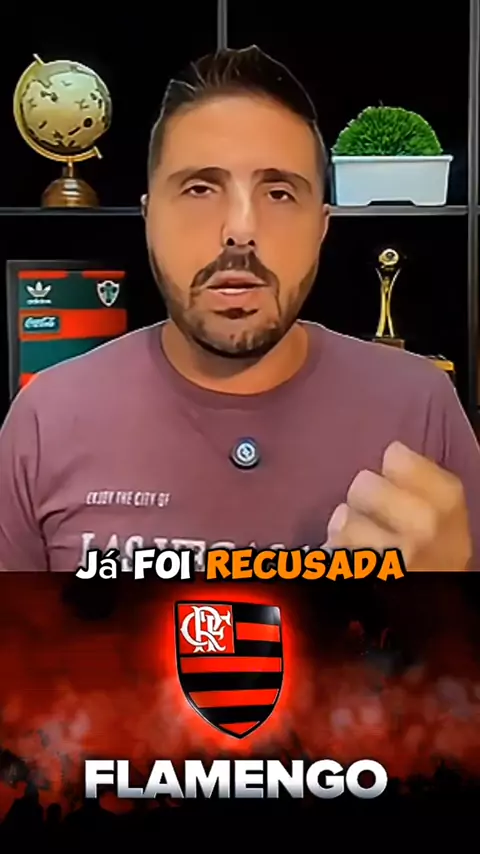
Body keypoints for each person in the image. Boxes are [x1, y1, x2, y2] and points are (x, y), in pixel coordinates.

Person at [0, 45, 479, 573]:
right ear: (149, 219)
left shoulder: (422, 407)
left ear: (321, 227)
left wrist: (447, 594)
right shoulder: (44, 420)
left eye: (279, 193)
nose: (241, 229)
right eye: (200, 188)